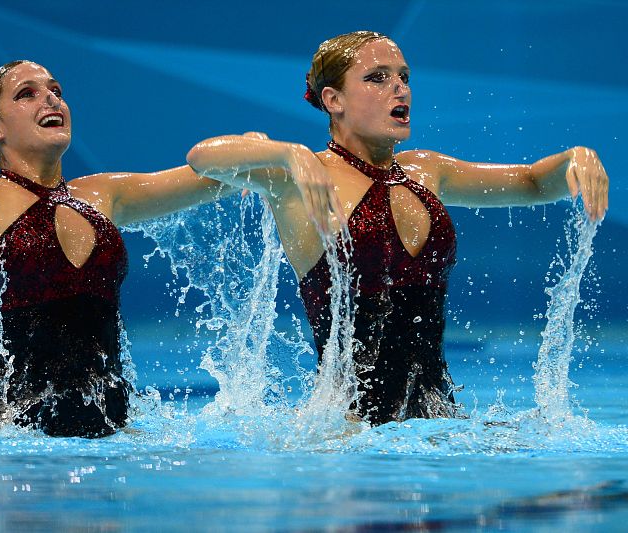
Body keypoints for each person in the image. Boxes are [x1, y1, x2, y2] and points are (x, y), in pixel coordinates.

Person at [187, 31, 609, 426]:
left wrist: (576, 157)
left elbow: (532, 182)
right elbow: (202, 156)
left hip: (437, 417)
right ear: (333, 99)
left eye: (404, 77)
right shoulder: (303, 178)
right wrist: (289, 154)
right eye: (377, 78)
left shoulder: (427, 170)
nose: (400, 88)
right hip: (345, 431)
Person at [0, 60, 236, 438]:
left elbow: (220, 177)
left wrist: (276, 152)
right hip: (16, 443)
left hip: (114, 434)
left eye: (56, 91)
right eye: (28, 94)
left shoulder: (105, 193)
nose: (51, 100)